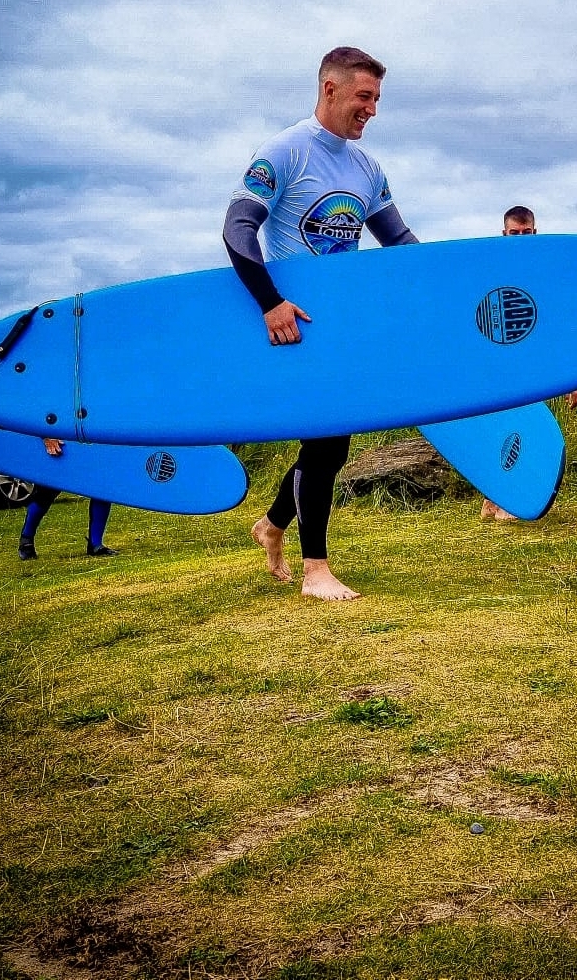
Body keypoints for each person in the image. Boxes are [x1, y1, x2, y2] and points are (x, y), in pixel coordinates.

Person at [223, 47, 418, 601]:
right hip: (297, 326)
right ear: (330, 89)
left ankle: (272, 526)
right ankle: (316, 571)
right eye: (364, 97)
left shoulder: (367, 169)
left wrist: (439, 289)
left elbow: (399, 241)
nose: (372, 109)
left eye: (377, 99)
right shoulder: (284, 152)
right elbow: (238, 228)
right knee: (326, 441)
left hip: (343, 328)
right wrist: (270, 302)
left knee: (330, 447)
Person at [480, 206, 577, 522]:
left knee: (525, 429)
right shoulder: (491, 272)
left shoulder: (545, 276)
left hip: (532, 367)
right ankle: (498, 499)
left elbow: (557, 328)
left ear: (535, 233)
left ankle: (498, 499)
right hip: (500, 366)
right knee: (505, 428)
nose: (521, 239)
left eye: (527, 233)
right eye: (515, 234)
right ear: (504, 234)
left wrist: (573, 379)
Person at [18, 438, 117, 560]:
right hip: (61, 441)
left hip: (91, 442)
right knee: (48, 490)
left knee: (101, 486)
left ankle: (96, 544)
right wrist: (46, 437)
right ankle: (26, 539)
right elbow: (34, 424)